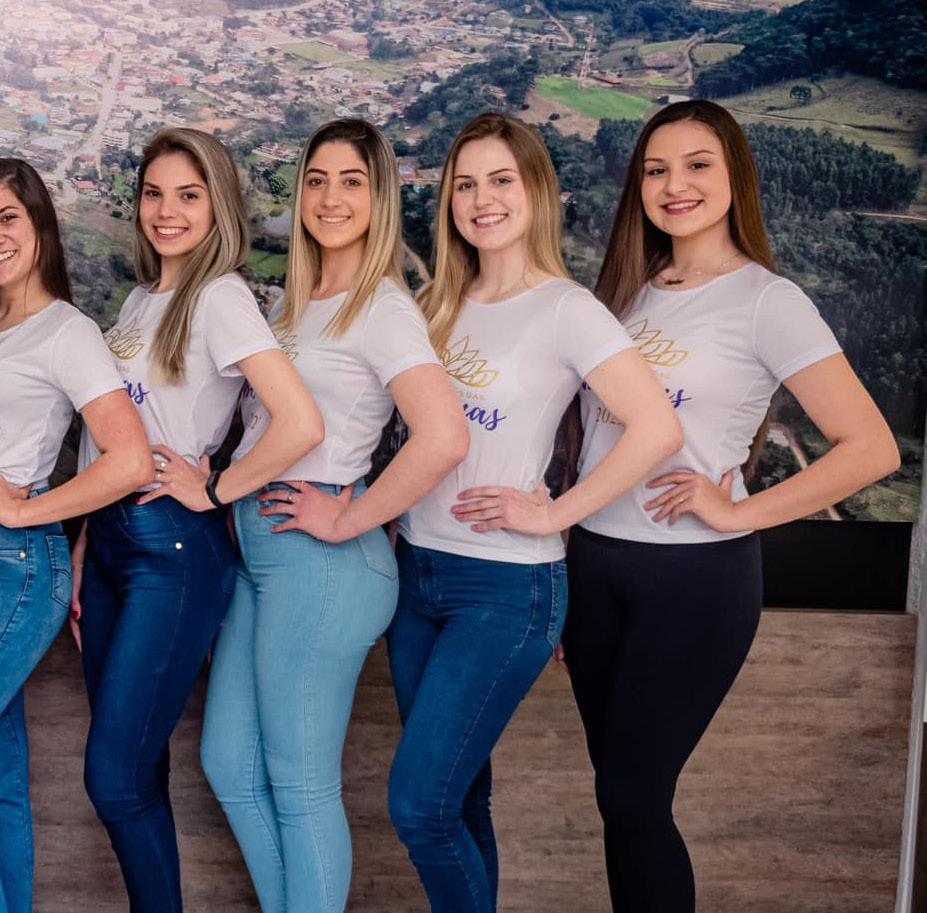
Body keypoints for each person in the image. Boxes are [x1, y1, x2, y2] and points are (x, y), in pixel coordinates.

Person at [568, 100, 900, 913]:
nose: (672, 185)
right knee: (618, 796)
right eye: (655, 170)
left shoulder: (765, 300)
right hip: (593, 567)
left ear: (734, 178)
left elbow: (871, 448)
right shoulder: (624, 293)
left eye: (696, 165)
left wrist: (735, 513)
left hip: (691, 580)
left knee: (635, 794)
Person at [388, 112, 682, 913]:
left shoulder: (564, 309)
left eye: (500, 180)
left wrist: (554, 514)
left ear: (537, 192)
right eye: (464, 184)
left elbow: (655, 428)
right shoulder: (435, 302)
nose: (481, 199)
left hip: (504, 589)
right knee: (458, 800)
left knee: (417, 806)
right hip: (414, 574)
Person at [198, 118, 468, 913]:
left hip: (321, 566)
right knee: (229, 764)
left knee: (299, 783)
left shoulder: (380, 308)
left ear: (379, 197)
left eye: (351, 181)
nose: (329, 198)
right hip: (262, 553)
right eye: (315, 180)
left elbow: (444, 436)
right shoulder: (295, 302)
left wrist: (350, 518)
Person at [72, 126, 321, 913]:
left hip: (171, 549)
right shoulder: (139, 300)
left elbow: (298, 422)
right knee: (137, 768)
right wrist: (83, 544)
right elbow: (106, 439)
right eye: (153, 194)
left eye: (187, 195)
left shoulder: (219, 298)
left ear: (218, 207)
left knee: (113, 776)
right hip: (110, 543)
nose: (166, 211)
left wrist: (215, 489)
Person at [0, 157, 153, 913]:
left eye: (7, 218)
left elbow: (130, 459)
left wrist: (24, 509)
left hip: (7, 564)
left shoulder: (67, 332)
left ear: (39, 223)